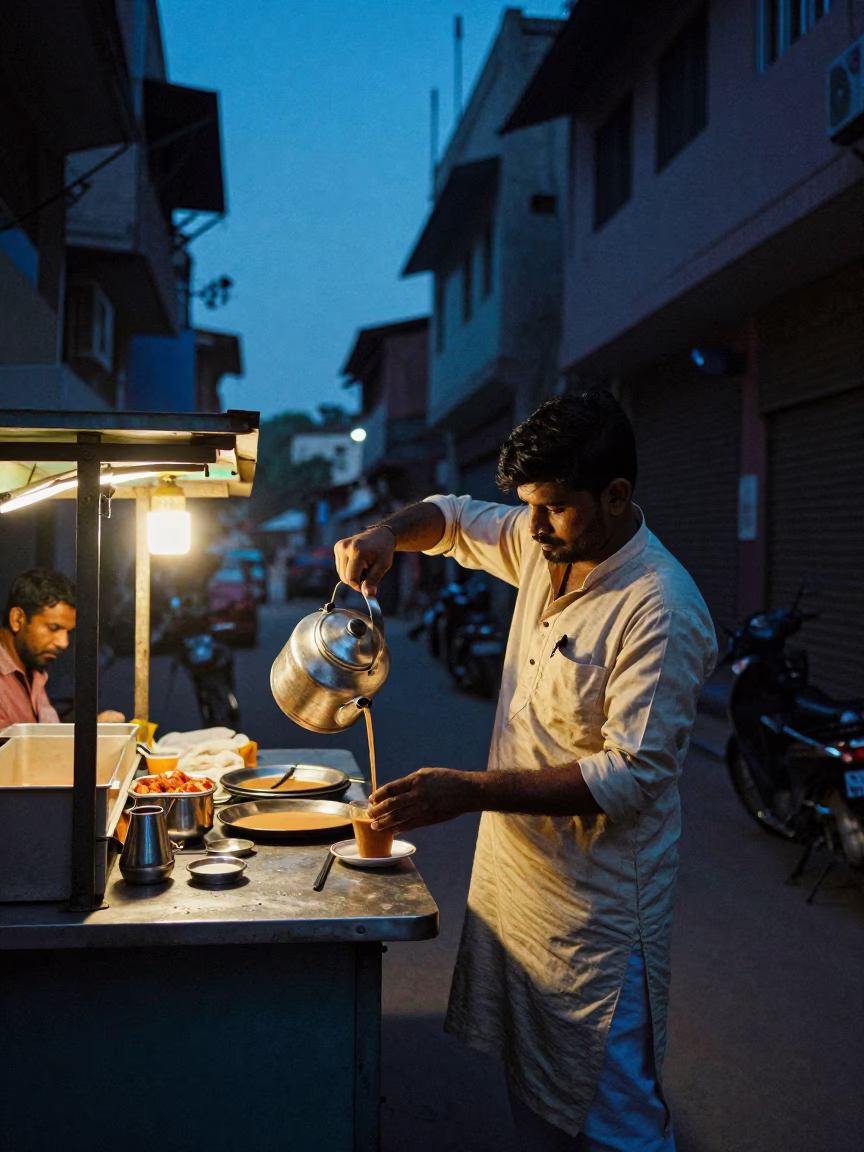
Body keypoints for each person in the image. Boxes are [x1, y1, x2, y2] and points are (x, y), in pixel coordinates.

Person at [334, 390, 718, 1151]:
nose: (532, 528)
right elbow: (448, 518)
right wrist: (385, 532)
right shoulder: (546, 544)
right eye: (528, 507)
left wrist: (468, 791)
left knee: (614, 1119)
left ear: (615, 496)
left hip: (598, 916)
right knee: (535, 1096)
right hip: (519, 884)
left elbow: (630, 775)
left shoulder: (658, 606)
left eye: (553, 509)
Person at [0, 568, 125, 729]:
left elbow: (44, 737)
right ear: (17, 619)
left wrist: (87, 729)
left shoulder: (33, 674)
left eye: (68, 632)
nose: (63, 643)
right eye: (53, 628)